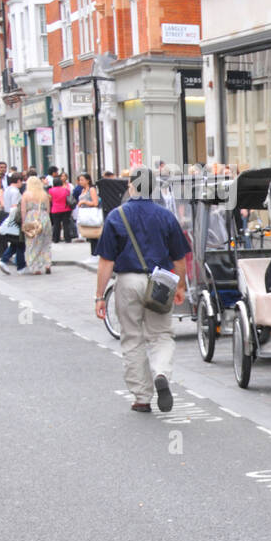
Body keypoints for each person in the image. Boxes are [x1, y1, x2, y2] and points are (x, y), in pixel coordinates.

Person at [93, 168, 191, 412]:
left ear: (130, 186)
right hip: (160, 281)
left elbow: (106, 261)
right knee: (161, 335)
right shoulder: (166, 216)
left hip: (127, 280)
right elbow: (179, 257)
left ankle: (142, 397)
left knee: (132, 338)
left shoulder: (116, 216)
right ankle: (161, 374)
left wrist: (99, 296)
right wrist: (180, 285)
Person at [20, 176, 53, 274]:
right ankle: (47, 263)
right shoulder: (44, 194)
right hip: (44, 218)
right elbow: (48, 210)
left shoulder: (26, 195)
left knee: (32, 244)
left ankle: (35, 267)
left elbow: (23, 210)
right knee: (46, 243)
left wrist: (23, 222)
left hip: (31, 218)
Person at [0, 172, 26, 274]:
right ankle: (20, 266)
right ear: (18, 181)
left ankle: (5, 261)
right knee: (20, 243)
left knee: (15, 243)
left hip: (8, 218)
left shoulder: (7, 190)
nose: (22, 183)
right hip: (15, 220)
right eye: (21, 181)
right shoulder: (15, 192)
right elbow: (14, 207)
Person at [74, 174, 102, 258]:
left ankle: (95, 254)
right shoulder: (83, 190)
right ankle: (93, 254)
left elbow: (95, 203)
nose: (80, 182)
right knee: (89, 235)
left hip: (91, 214)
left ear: (88, 180)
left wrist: (84, 202)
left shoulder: (92, 189)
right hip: (84, 214)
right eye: (79, 180)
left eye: (82, 180)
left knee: (94, 234)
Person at [49, 175, 74, 243]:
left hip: (55, 209)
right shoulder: (66, 190)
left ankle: (56, 238)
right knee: (66, 224)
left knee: (56, 224)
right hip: (66, 208)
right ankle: (67, 238)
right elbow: (68, 198)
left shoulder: (50, 190)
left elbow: (50, 200)